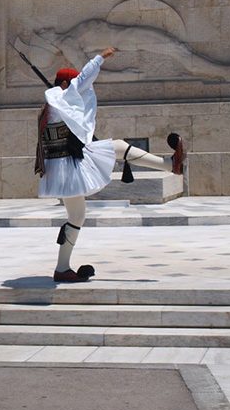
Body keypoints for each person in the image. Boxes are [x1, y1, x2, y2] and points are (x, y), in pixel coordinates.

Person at [35, 47, 185, 283]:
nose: (80, 90)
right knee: (115, 148)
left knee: (77, 216)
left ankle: (62, 268)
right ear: (65, 84)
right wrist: (99, 58)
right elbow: (82, 80)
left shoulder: (52, 104)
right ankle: (170, 165)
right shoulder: (60, 97)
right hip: (68, 167)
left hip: (64, 167)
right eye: (72, 84)